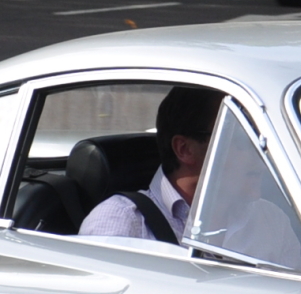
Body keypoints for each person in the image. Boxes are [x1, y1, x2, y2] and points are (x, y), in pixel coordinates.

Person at [80, 84, 223, 240]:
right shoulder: (122, 220)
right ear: (185, 149)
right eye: (234, 135)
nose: (250, 147)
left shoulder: (247, 214)